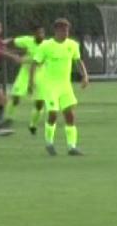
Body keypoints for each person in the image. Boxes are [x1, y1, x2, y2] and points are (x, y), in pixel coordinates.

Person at [30, 18, 89, 156]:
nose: (66, 32)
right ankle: (49, 143)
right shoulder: (46, 46)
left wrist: (85, 76)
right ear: (56, 30)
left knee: (70, 115)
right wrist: (31, 82)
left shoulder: (72, 45)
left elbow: (78, 61)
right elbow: (35, 63)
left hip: (65, 86)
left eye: (67, 30)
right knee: (53, 114)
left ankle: (71, 147)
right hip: (50, 86)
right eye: (63, 30)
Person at [6, 24, 47, 135]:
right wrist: (3, 43)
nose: (41, 35)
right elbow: (13, 41)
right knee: (16, 97)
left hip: (40, 74)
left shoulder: (47, 45)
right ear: (34, 34)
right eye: (38, 33)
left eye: (42, 33)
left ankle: (32, 125)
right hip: (25, 73)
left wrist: (23, 59)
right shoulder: (27, 41)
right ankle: (8, 119)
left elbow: (39, 61)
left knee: (39, 103)